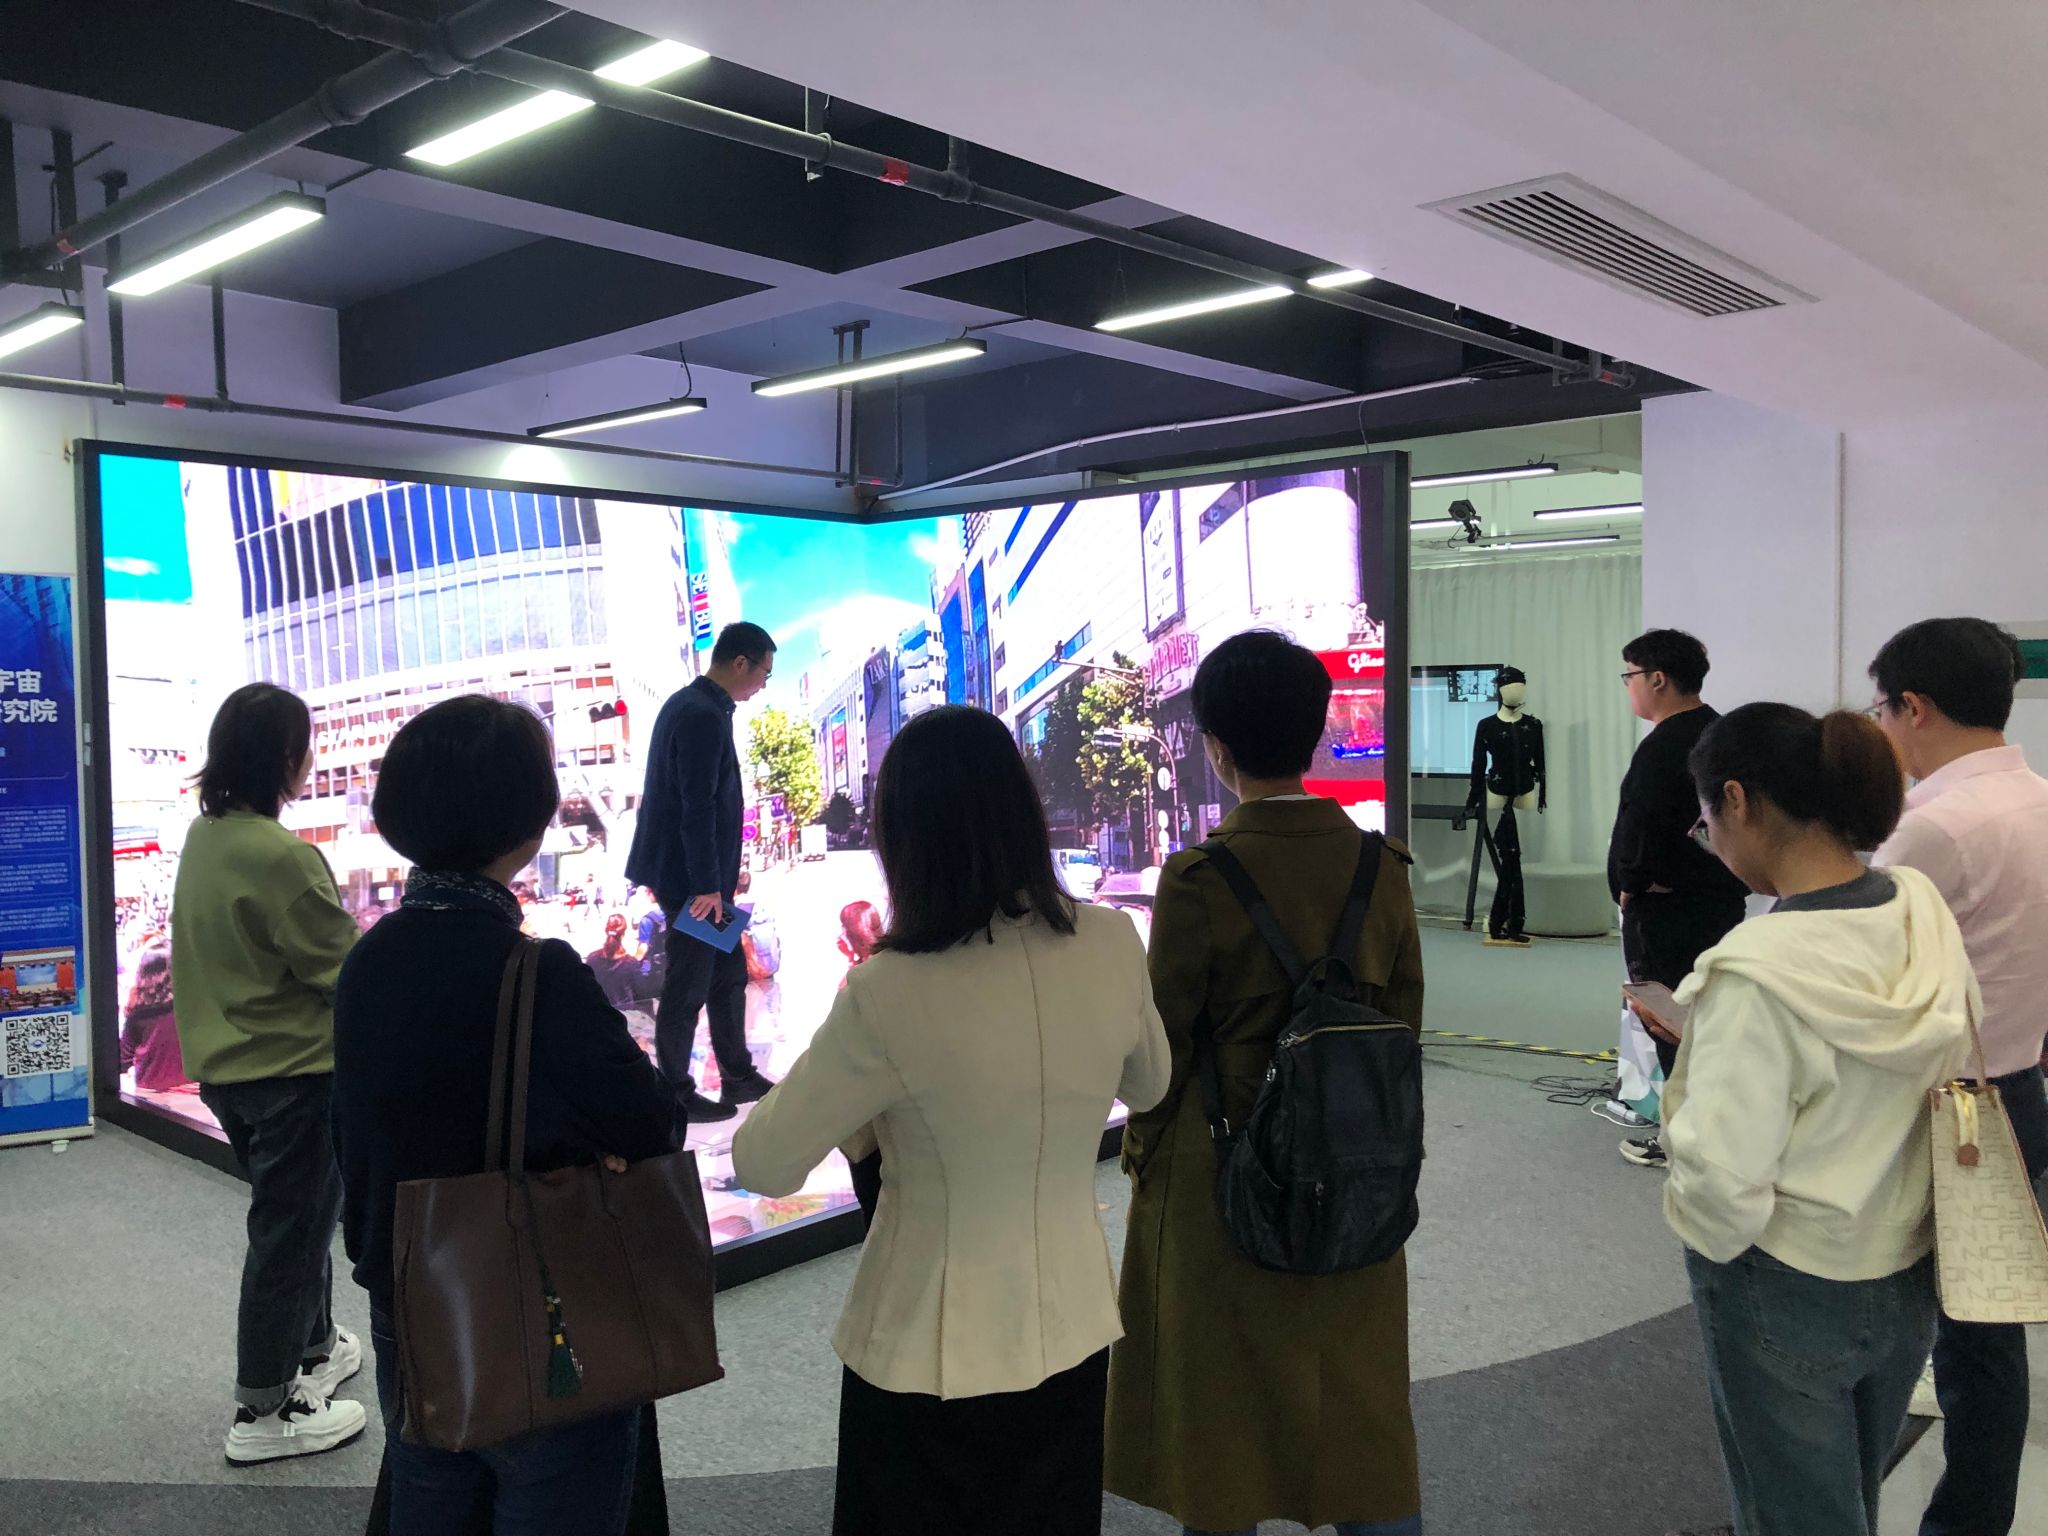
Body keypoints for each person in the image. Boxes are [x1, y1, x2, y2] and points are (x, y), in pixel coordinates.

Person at [732, 705, 1170, 1536]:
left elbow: (764, 1162)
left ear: (904, 840)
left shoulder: (887, 990)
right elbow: (1151, 1085)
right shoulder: (1112, 941)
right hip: (1072, 1322)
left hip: (926, 1343)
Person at [332, 695, 680, 1535]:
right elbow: (650, 1124)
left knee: (430, 1494)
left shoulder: (369, 958)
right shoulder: (538, 971)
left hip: (409, 1293)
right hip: (538, 1301)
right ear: (528, 821)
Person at [1106, 630, 1426, 1536]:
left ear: (1215, 748)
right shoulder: (1382, 867)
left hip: (1222, 1161)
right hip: (1354, 1157)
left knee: (1219, 1420)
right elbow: (1403, 1026)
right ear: (1317, 734)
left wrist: (1143, 1159)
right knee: (1359, 1403)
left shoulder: (1199, 878)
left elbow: (1163, 1049)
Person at [1664, 704, 1973, 1536]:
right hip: (1907, 1266)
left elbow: (1722, 1181)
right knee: (1847, 1499)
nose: (1710, 836)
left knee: (1792, 1512)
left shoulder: (1756, 972)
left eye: (1705, 819)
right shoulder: (1918, 910)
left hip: (1786, 1279)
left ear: (1737, 800)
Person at [1865, 618, 2048, 1536]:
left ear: (1915, 707)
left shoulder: (1931, 827)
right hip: (2018, 1092)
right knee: (1983, 1333)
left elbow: (1861, 971)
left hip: (1941, 1111)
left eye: (1880, 708)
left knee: (1897, 1325)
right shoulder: (2039, 798)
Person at [170, 683, 366, 1463]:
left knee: (299, 1219)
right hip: (296, 1075)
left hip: (228, 1071)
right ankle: (265, 1406)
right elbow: (345, 971)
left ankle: (314, 1347)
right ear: (286, 756)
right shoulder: (281, 856)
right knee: (289, 1236)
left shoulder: (206, 835)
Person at [1608, 629, 1751, 1169]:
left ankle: (1689, 1144)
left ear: (1658, 679)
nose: (1628, 686)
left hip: (1667, 912)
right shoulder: (1723, 735)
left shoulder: (1664, 746)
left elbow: (1641, 826)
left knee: (1672, 1026)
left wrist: (1631, 883)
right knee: (1708, 1022)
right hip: (1718, 904)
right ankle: (1711, 1133)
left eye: (1629, 675)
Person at [625, 622, 779, 1122]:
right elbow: (698, 806)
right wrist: (709, 886)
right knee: (688, 985)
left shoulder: (693, 705)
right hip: (691, 882)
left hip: (691, 876)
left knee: (729, 971)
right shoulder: (701, 715)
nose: (763, 684)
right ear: (741, 662)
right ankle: (675, 1092)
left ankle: (737, 1074)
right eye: (764, 673)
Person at [119, 945, 190, 1093]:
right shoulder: (191, 1005)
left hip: (149, 1093)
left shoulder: (136, 1012)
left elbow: (123, 1060)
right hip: (190, 1090)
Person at [586, 912, 641, 1010]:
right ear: (623, 933)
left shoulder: (591, 958)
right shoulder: (631, 963)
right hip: (624, 1013)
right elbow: (639, 992)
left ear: (606, 930)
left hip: (598, 1010)